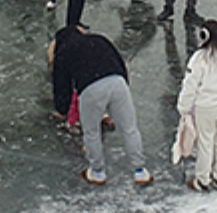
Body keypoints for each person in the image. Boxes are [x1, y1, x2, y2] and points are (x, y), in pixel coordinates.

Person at [52, 26, 153, 187]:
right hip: (117, 81)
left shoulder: (63, 52)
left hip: (90, 88)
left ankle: (97, 173)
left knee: (92, 132)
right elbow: (119, 62)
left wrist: (62, 109)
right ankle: (140, 171)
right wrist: (123, 85)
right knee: (129, 128)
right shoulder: (98, 39)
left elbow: (61, 86)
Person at [177, 20, 217, 192]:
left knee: (205, 144)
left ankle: (203, 180)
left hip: (206, 107)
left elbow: (190, 85)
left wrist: (183, 107)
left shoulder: (200, 58)